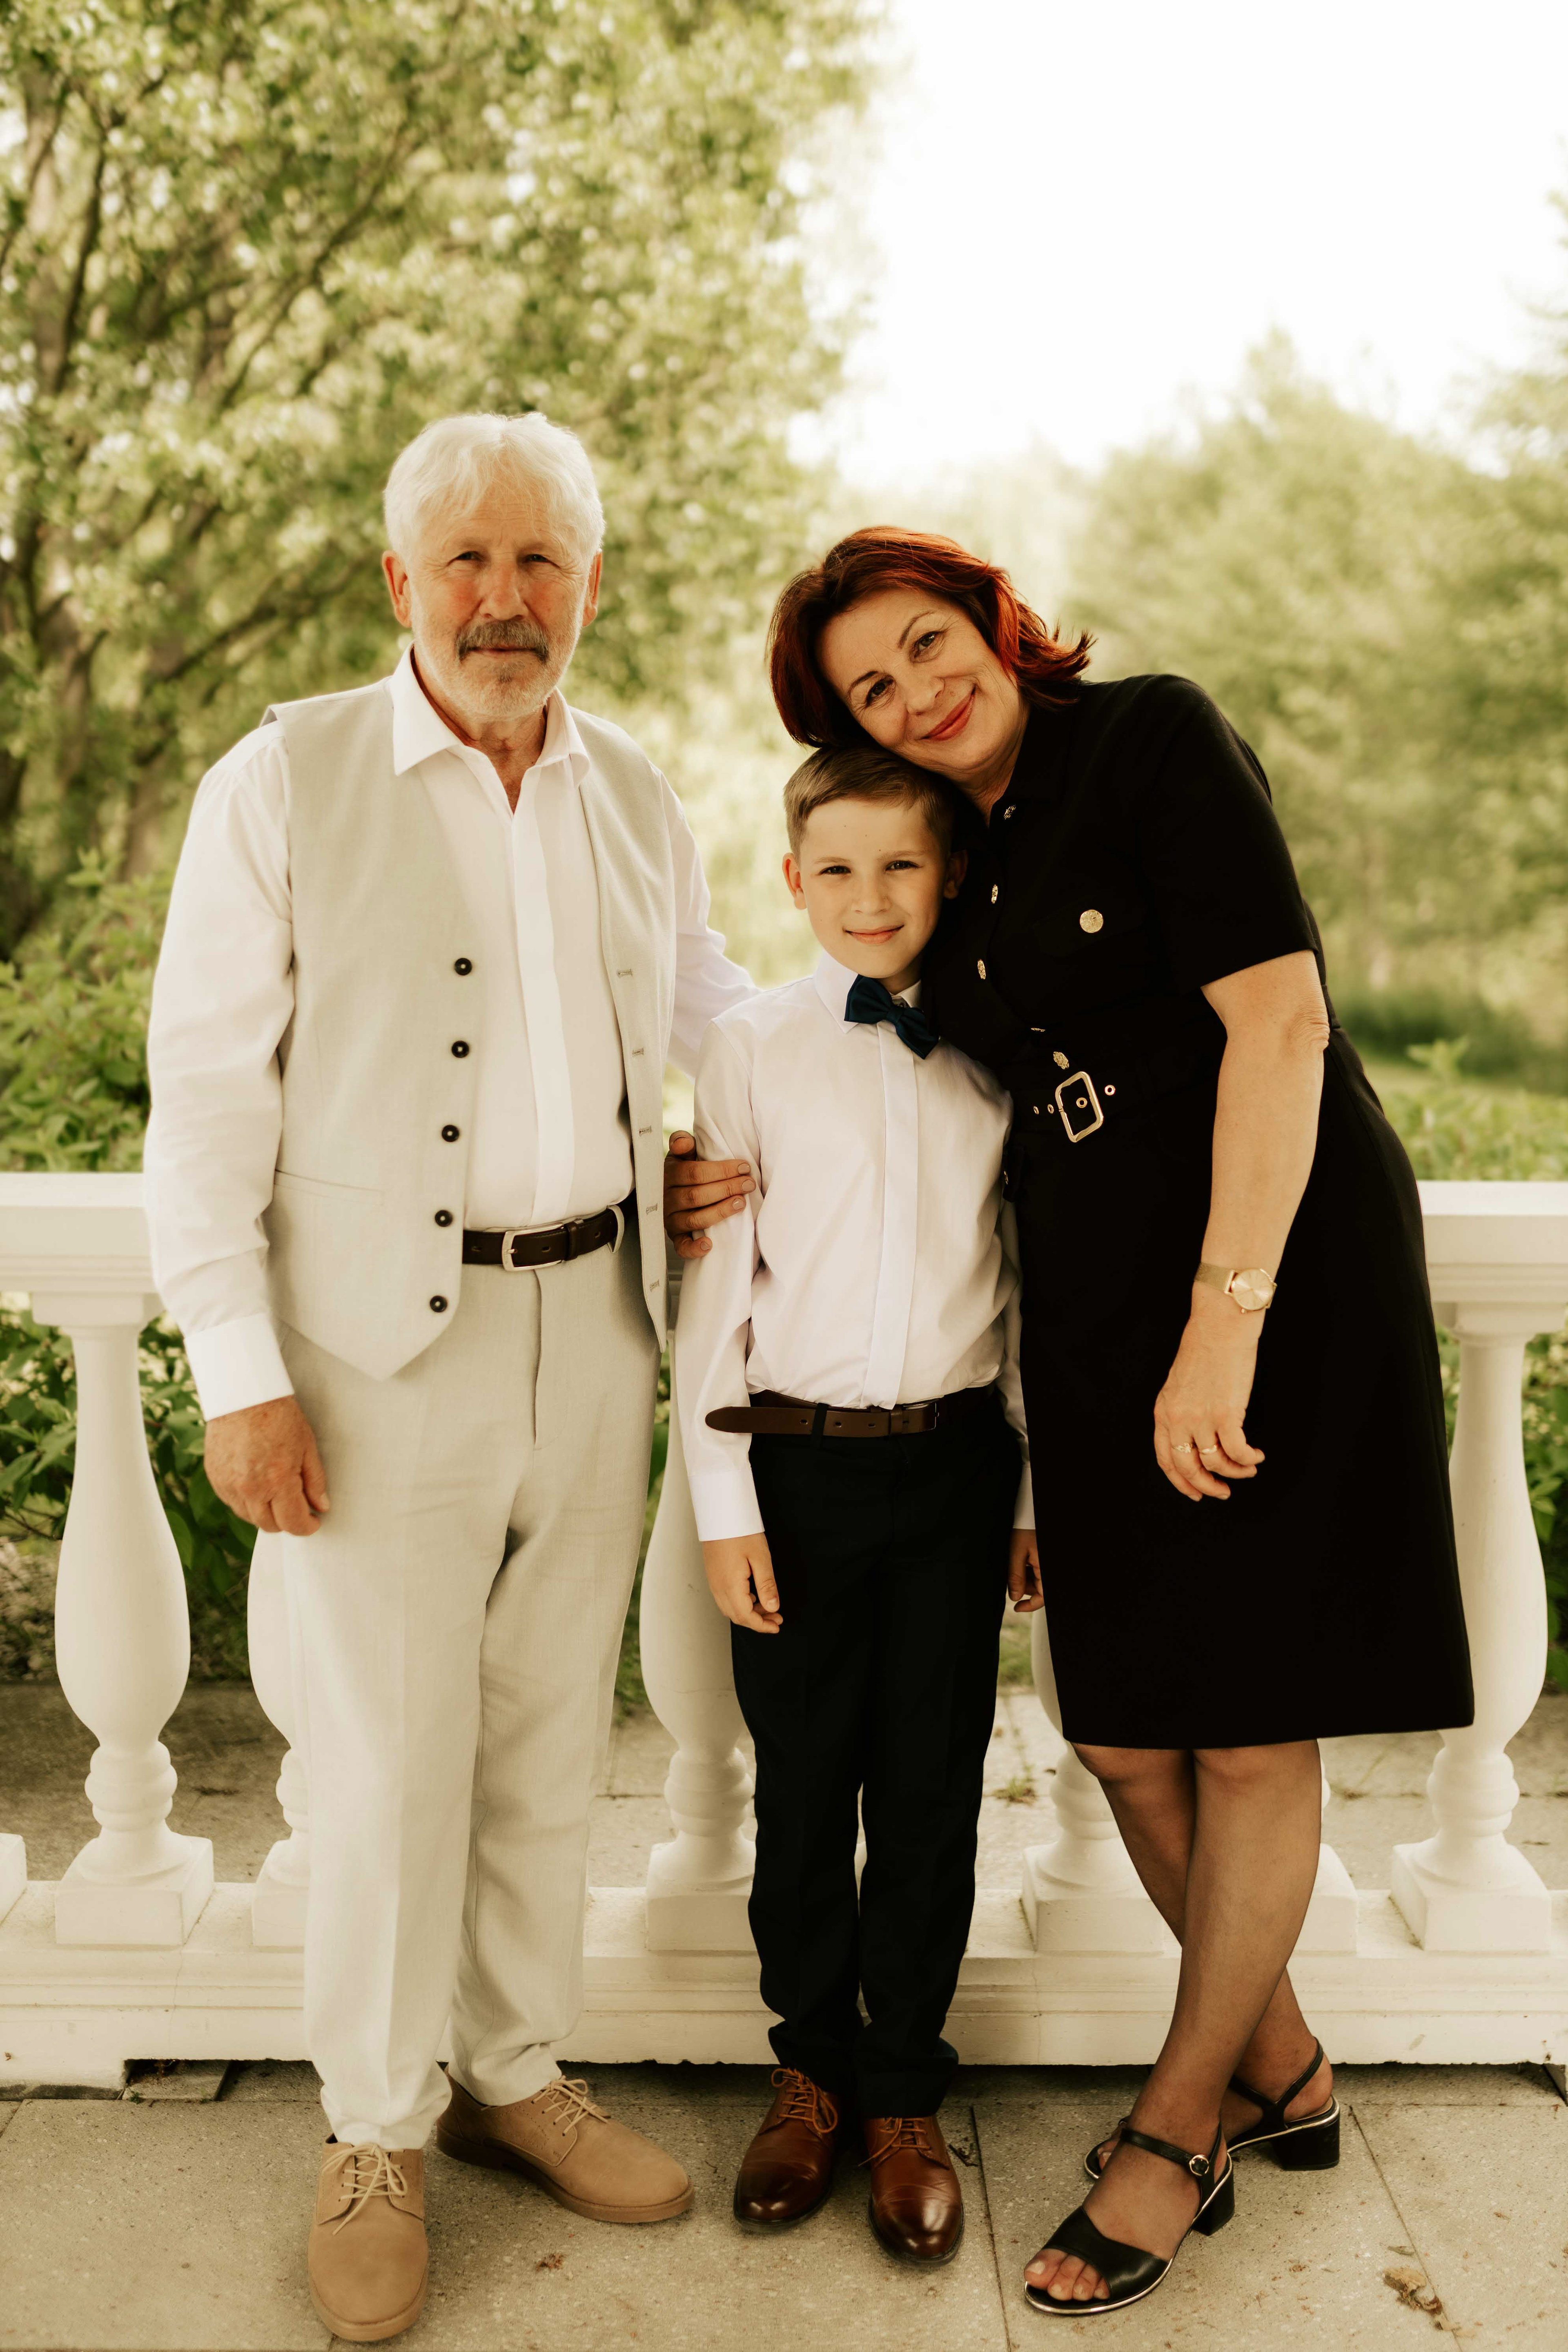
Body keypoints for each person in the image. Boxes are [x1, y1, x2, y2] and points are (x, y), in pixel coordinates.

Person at [670, 525, 1473, 2319]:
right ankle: (1285, 2058)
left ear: (993, 618)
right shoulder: (949, 855)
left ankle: (1181, 2130)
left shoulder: (1151, 740)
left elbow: (1281, 1030)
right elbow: (844, 1061)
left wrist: (1226, 1328)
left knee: (1246, 1731)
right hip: (1097, 1319)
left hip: (1266, 1275)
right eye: (870, 686)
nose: (917, 691)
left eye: (928, 641)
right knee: (1120, 1735)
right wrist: (700, 1169)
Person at [144, 412, 759, 2343]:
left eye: (541, 560)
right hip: (372, 1354)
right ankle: (374, 2127)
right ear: (399, 580)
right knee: (387, 1758)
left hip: (602, 1326)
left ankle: (510, 2071)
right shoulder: (282, 777)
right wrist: (237, 1370)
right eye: (469, 560)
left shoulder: (634, 788)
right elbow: (203, 1097)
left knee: (548, 1742)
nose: (506, 598)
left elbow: (715, 1011)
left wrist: (804, 1118)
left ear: (591, 585)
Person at [673, 742, 1037, 2265]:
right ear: (793, 880)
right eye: (836, 868)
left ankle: (902, 2092)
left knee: (934, 1788)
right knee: (806, 1788)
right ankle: (811, 2071)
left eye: (902, 865)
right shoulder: (752, 1046)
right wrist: (724, 1502)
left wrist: (1032, 1493)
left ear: (950, 876)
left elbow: (1025, 1285)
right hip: (798, 1470)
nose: (869, 896)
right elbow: (717, 1291)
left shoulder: (1002, 1044)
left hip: (957, 1468)